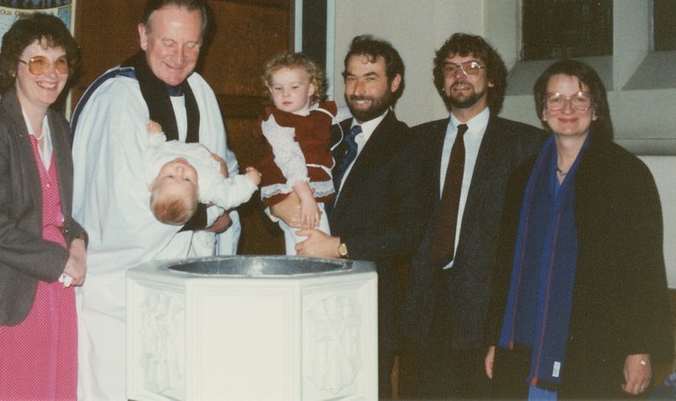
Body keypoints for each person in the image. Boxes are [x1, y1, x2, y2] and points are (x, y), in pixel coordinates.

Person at [71, 0, 240, 399]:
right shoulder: (118, 96)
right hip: (120, 288)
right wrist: (209, 217)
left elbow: (222, 168)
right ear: (143, 35)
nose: (179, 58)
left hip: (182, 283)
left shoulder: (201, 91)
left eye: (191, 46)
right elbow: (120, 206)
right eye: (167, 41)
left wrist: (223, 202)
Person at [485, 59, 673, 398]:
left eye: (580, 98)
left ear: (596, 109)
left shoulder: (626, 175)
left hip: (595, 345)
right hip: (525, 343)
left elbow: (645, 270)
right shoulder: (523, 178)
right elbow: (506, 266)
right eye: (555, 98)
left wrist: (640, 349)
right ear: (542, 111)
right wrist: (496, 340)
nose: (567, 108)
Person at [271, 35, 421, 397]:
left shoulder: (408, 145)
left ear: (395, 83)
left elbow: (408, 231)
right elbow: (284, 181)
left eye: (370, 77)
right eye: (351, 77)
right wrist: (276, 205)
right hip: (307, 294)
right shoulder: (326, 133)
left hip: (366, 299)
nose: (358, 88)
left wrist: (338, 247)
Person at [399, 33, 546, 398]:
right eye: (450, 68)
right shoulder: (417, 142)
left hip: (486, 312)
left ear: (490, 78)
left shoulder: (525, 145)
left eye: (472, 67)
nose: (459, 75)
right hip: (423, 307)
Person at [0, 12, 87, 400]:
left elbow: (62, 212)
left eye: (60, 62)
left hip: (53, 297)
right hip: (0, 297)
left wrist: (78, 242)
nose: (52, 73)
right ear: (14, 67)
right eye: (39, 61)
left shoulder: (60, 128)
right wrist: (59, 260)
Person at [257, 51, 346, 254]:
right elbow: (289, 157)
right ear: (270, 90)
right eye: (278, 88)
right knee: (314, 248)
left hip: (309, 190)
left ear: (311, 88)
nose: (285, 94)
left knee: (300, 251)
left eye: (294, 87)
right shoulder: (275, 120)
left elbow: (345, 113)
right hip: (294, 190)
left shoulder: (320, 113)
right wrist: (306, 197)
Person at [145, 120, 261, 225]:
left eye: (170, 176)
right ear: (198, 194)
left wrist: (155, 136)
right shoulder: (207, 186)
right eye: (187, 179)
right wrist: (250, 182)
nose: (180, 170)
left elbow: (151, 149)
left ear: (153, 183)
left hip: (176, 145)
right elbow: (229, 196)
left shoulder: (152, 166)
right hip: (207, 157)